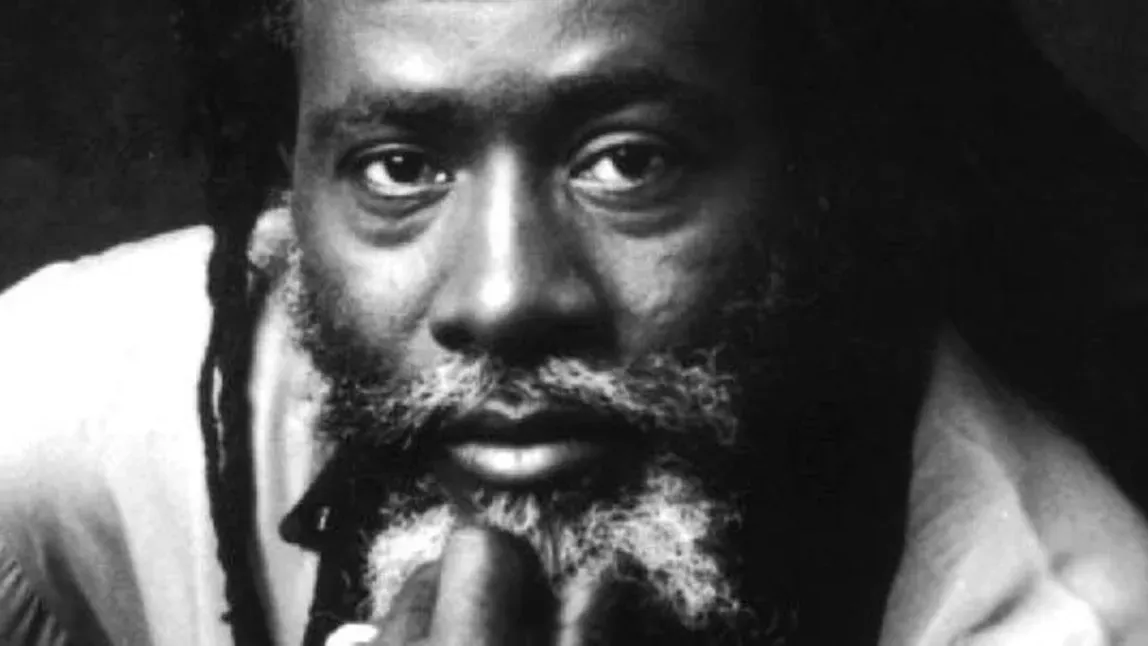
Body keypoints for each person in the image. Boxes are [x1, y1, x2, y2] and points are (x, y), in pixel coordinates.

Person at [2, 0, 1147, 644]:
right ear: (291, 192)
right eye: (398, 167)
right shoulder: (89, 395)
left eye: (627, 162)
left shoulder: (1060, 621)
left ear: (820, 181)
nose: (500, 299)